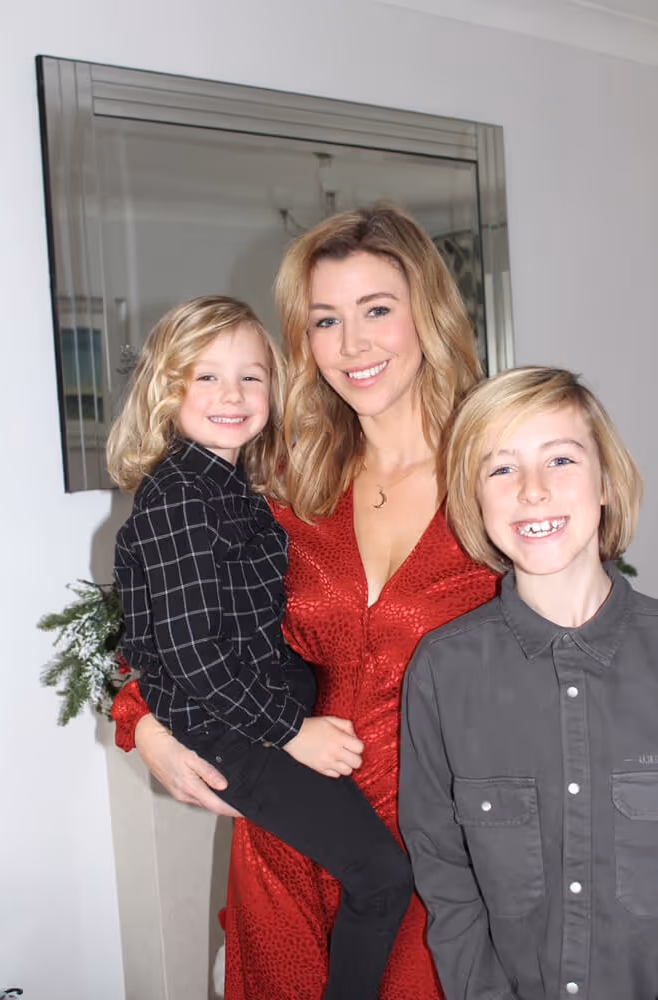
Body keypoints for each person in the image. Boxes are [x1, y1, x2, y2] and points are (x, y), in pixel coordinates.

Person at [112, 205, 499, 1000]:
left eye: (376, 310)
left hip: (439, 840)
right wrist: (141, 723)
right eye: (326, 320)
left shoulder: (493, 472)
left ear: (427, 313)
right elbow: (163, 615)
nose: (351, 345)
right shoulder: (286, 480)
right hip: (292, 833)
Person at [106, 294, 414, 1000]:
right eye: (206, 377)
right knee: (380, 876)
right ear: (166, 390)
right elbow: (192, 654)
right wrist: (292, 731)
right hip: (233, 731)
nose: (233, 395)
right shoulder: (181, 497)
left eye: (251, 377)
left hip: (255, 711)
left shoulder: (230, 485)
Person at [400, 366, 653, 1000]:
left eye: (560, 460)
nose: (533, 491)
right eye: (502, 469)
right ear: (476, 500)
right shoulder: (442, 672)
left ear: (605, 483)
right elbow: (446, 878)